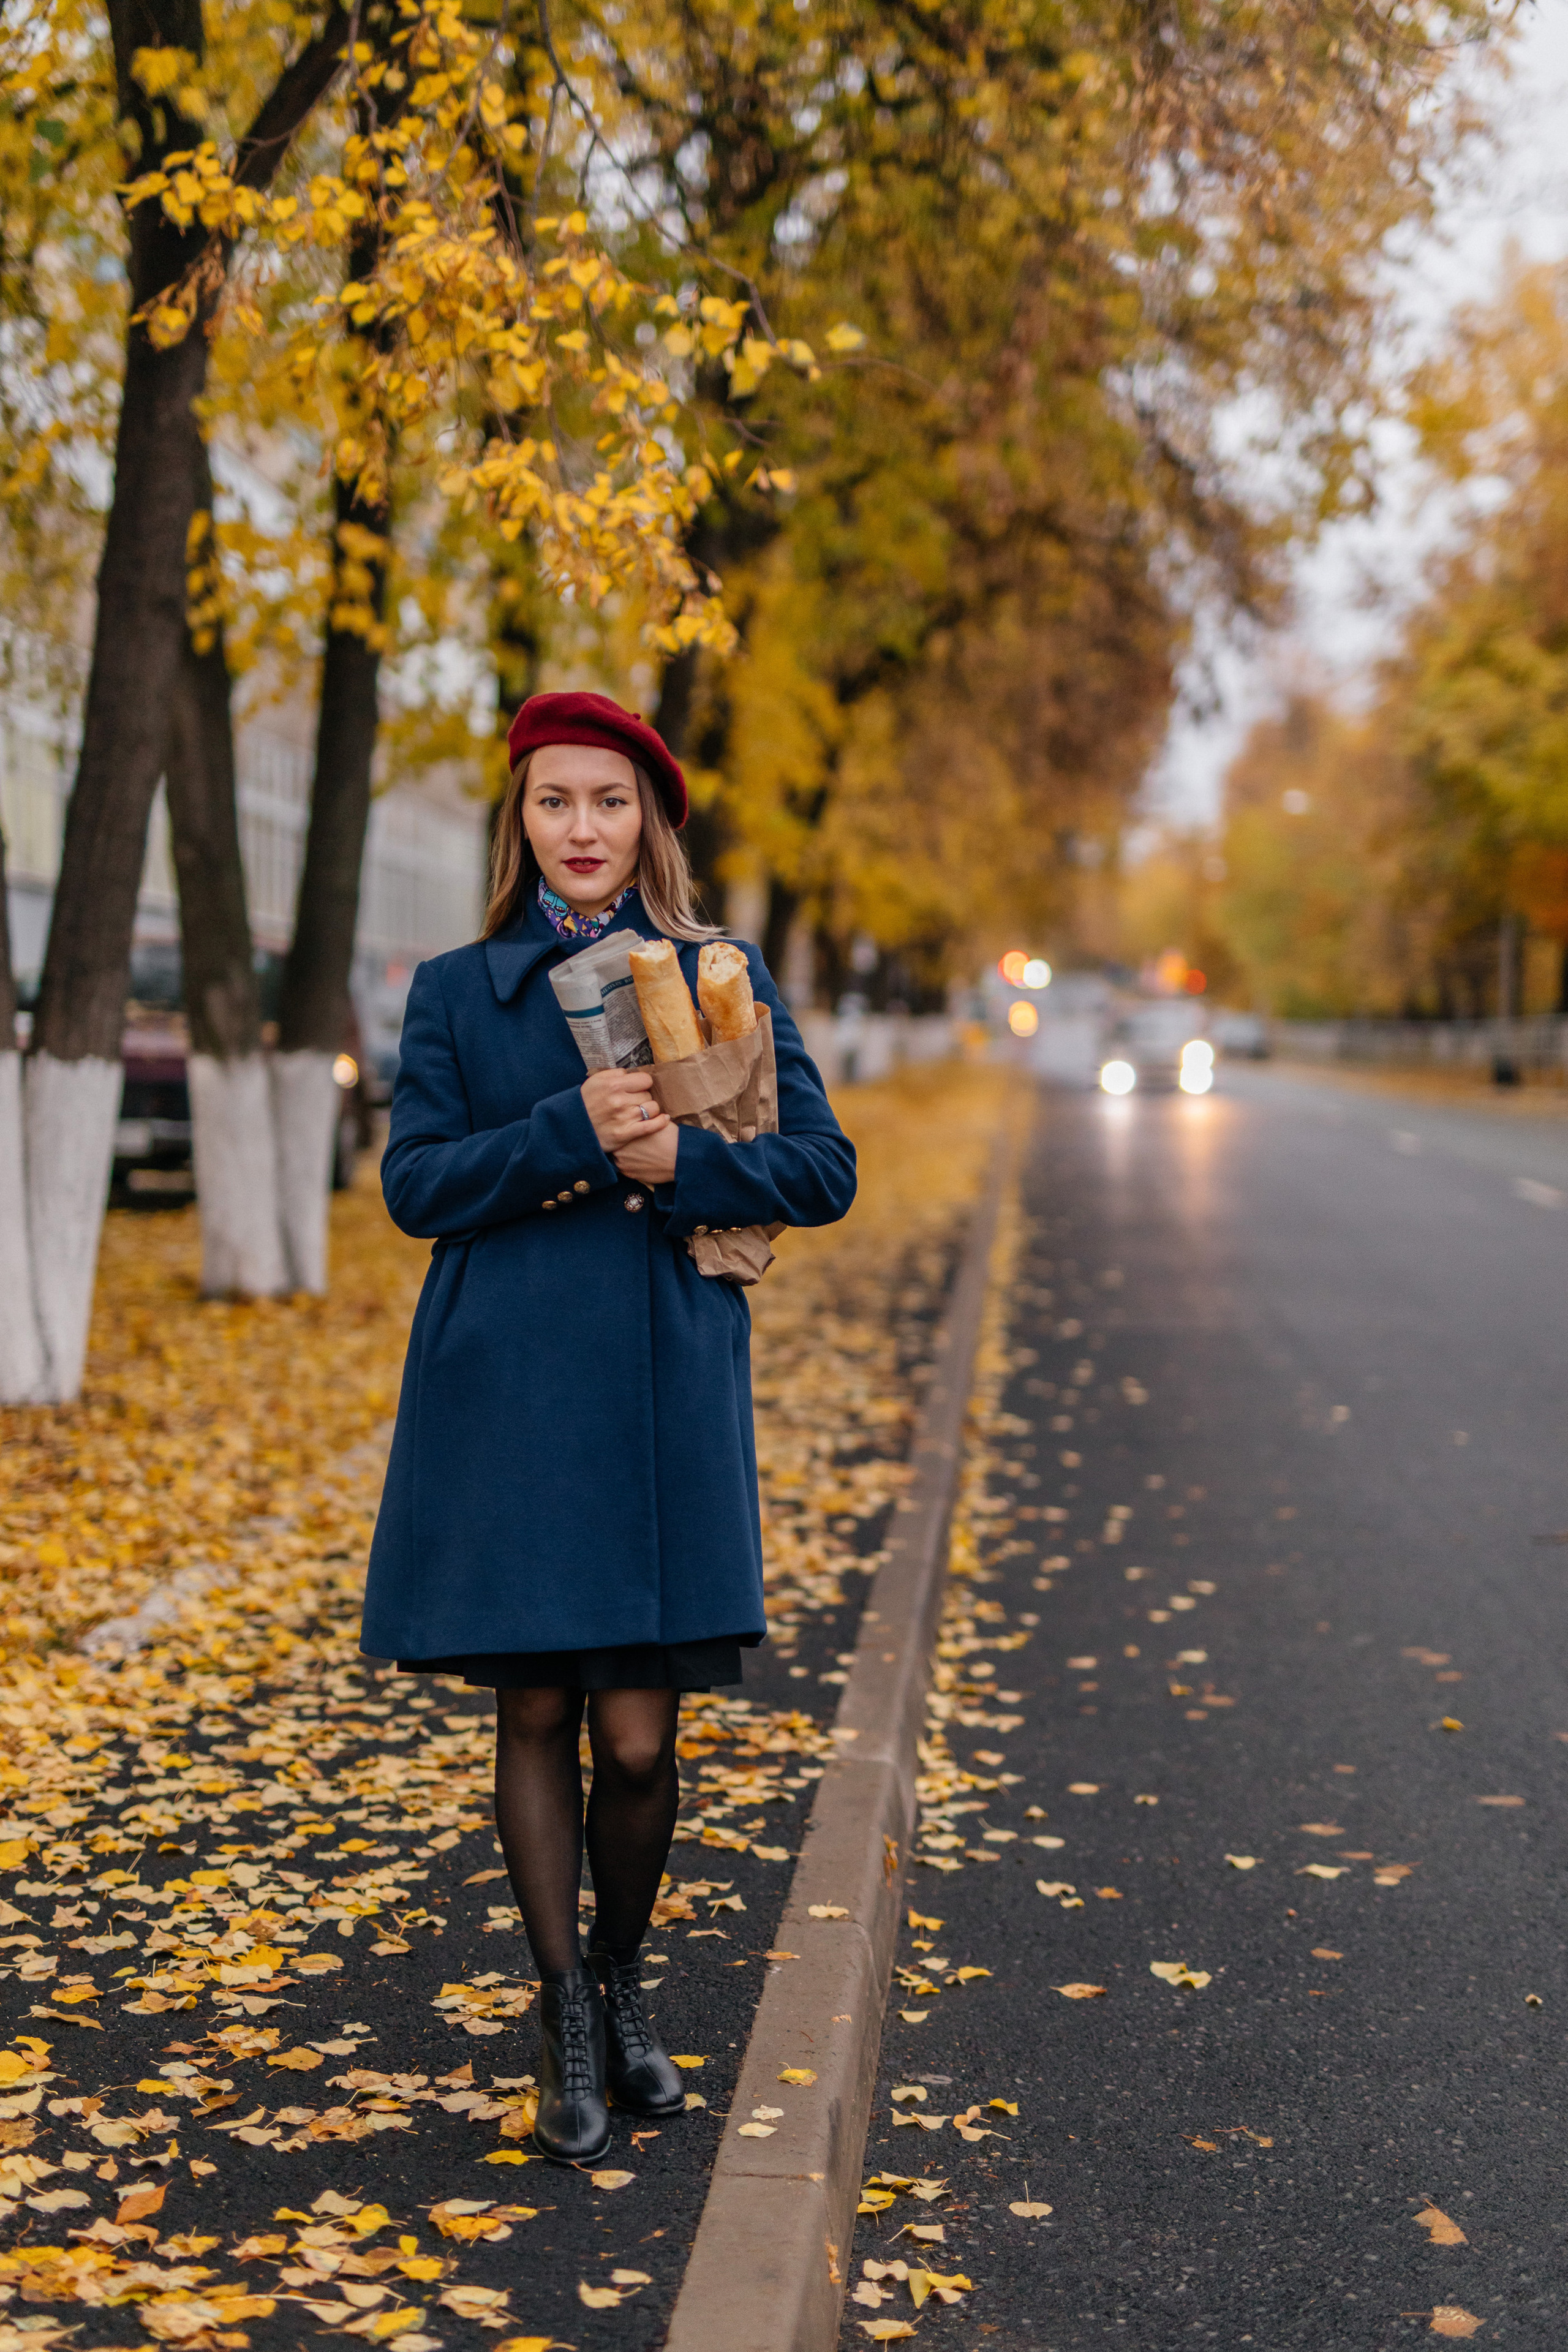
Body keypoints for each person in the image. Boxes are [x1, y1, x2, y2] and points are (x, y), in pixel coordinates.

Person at [361, 690, 857, 2162]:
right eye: (554, 803)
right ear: (521, 825)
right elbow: (415, 1188)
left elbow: (821, 1171)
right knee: (537, 1709)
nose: (582, 830)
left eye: (610, 802)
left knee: (639, 1740)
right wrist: (574, 1132)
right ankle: (567, 2011)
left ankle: (630, 1985)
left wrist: (682, 1165)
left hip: (658, 1388)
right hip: (510, 1385)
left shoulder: (721, 974)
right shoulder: (460, 988)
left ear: (653, 821)